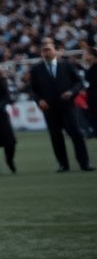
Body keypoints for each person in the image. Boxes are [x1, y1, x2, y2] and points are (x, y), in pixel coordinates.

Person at [28, 39, 93, 172]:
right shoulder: (36, 70)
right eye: (44, 50)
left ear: (55, 51)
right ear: (41, 53)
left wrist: (71, 92)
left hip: (67, 106)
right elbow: (33, 90)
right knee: (56, 137)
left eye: (49, 49)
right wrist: (39, 100)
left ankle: (84, 163)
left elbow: (79, 83)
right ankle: (63, 164)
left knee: (76, 134)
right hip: (50, 109)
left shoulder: (66, 65)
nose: (46, 52)